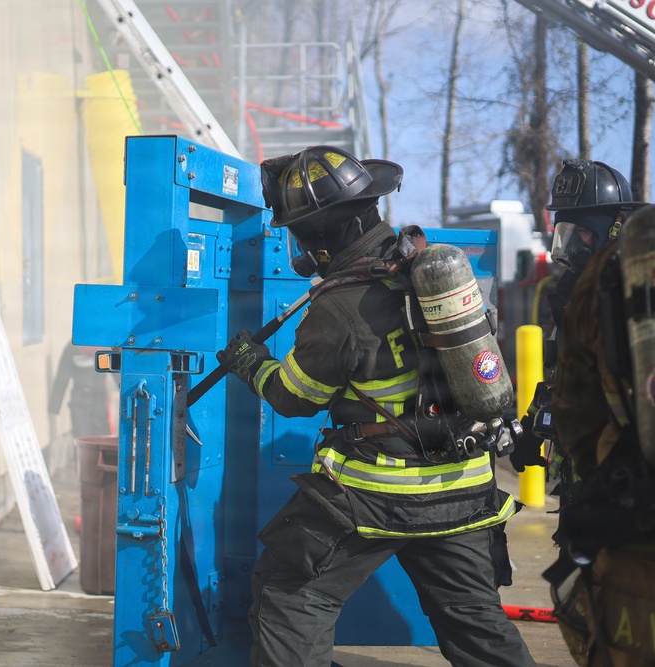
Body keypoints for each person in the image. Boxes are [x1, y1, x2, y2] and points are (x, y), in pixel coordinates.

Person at [218, 145, 534, 666]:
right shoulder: (424, 268)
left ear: (319, 235)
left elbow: (294, 397)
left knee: (289, 595)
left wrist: (249, 362)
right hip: (465, 488)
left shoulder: (339, 307)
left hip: (377, 494)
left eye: (297, 230)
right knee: (474, 619)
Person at [548, 203, 655, 666]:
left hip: (637, 531)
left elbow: (578, 415)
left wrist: (607, 489)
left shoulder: (610, 272)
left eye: (580, 233)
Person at [510, 159, 647, 483]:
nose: (571, 245)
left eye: (582, 232)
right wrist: (531, 429)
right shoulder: (574, 296)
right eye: (565, 232)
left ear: (614, 229)